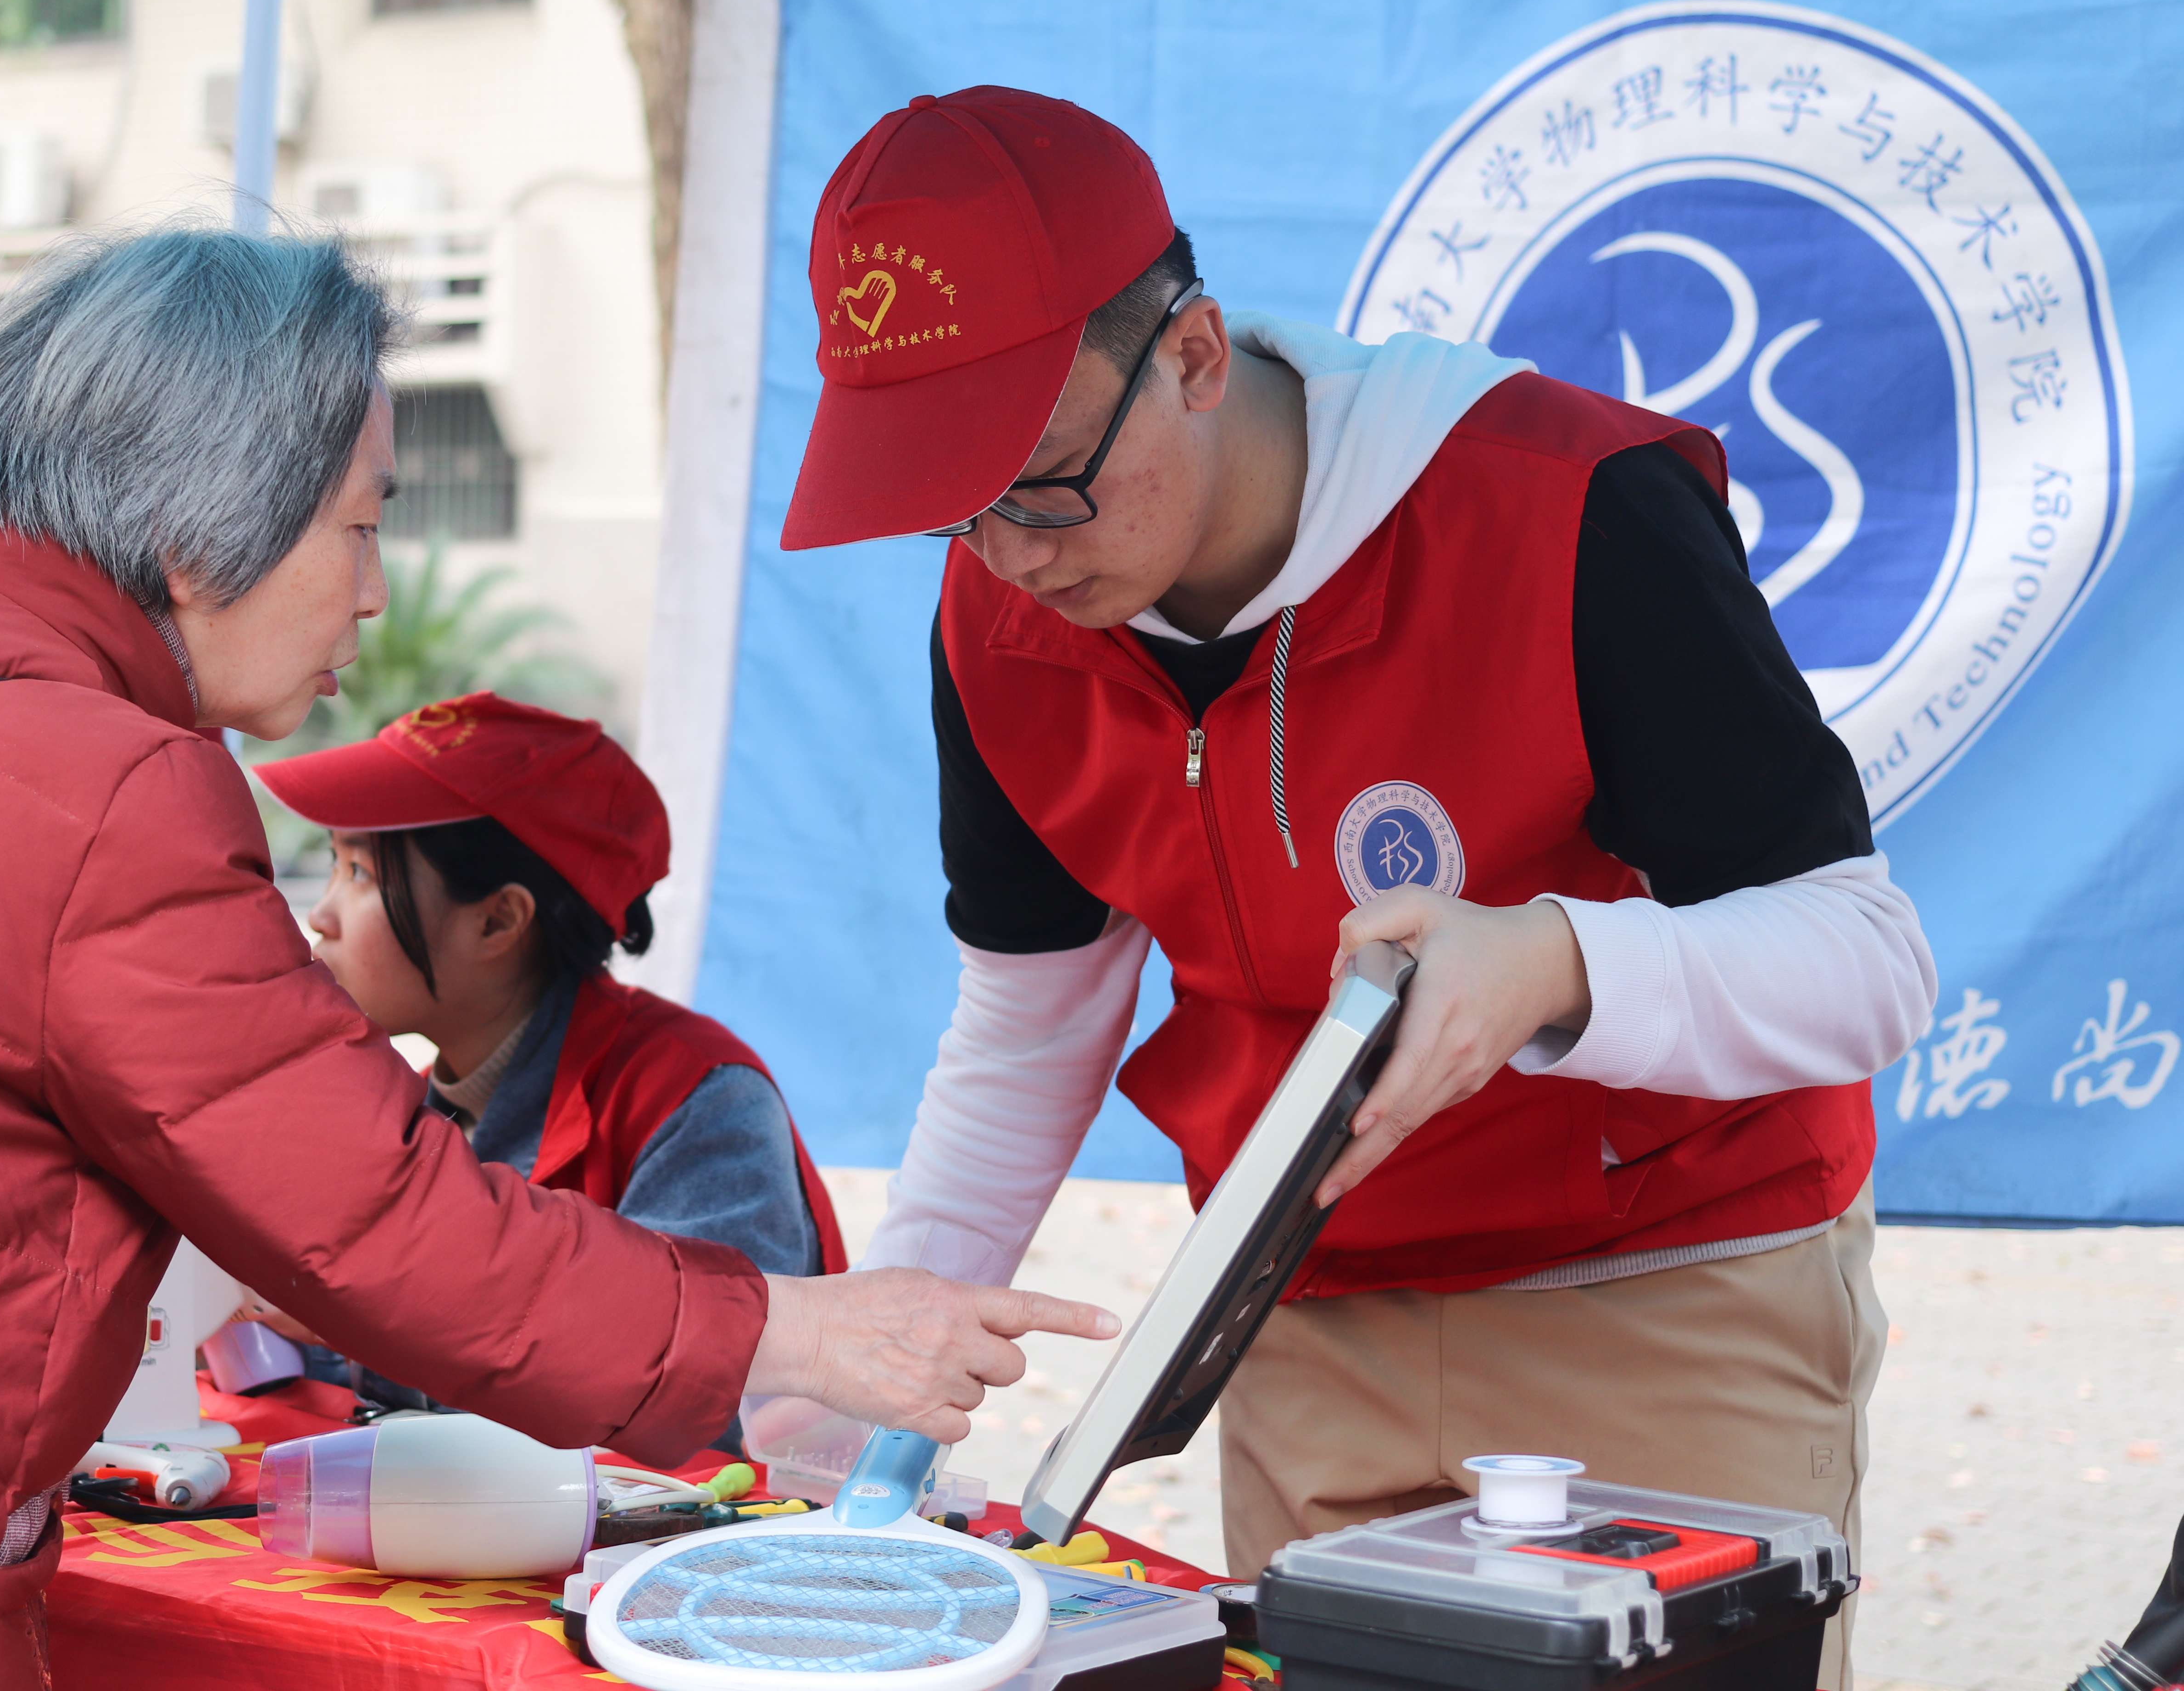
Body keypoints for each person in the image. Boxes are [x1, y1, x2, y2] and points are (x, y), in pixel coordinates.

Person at [0, 224, 1113, 1691]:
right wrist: (798, 1335)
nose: (373, 595)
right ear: (197, 530)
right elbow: (388, 1229)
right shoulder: (96, 782)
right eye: (361, 525)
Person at [778, 89, 1935, 1686]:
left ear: (1193, 356)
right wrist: (859, 1386)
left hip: (1671, 1287)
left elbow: (1867, 961)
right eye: (954, 509)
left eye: (1039, 482)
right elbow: (1027, 1030)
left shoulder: (1563, 507)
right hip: (1307, 1322)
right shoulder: (1001, 621)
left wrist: (1555, 962)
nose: (1014, 558)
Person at [240, 692, 845, 1402]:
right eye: (336, 866)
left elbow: (691, 1387)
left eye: (361, 875)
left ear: (499, 922)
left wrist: (368, 1327)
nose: (321, 915)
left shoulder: (699, 1106)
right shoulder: (408, 1112)